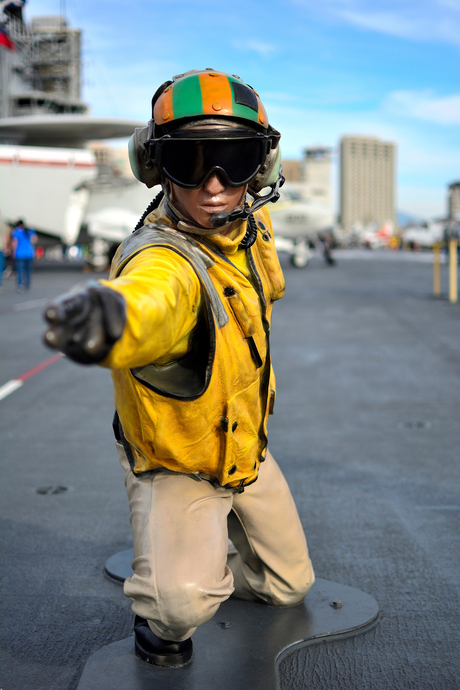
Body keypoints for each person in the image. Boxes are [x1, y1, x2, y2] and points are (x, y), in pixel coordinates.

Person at [43, 69, 314, 668]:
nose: (215, 185)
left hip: (245, 445)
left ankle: (207, 546)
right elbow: (152, 300)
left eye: (236, 160)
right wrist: (109, 315)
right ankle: (161, 607)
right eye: (190, 163)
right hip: (177, 458)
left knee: (287, 587)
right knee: (181, 605)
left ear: (262, 169)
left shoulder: (247, 226)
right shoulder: (164, 259)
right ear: (157, 168)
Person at [11, 219, 36, 291]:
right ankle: (27, 284)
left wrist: (13, 252)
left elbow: (14, 243)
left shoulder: (16, 231)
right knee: (28, 270)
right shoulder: (29, 230)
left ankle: (20, 284)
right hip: (29, 253)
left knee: (20, 270)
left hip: (20, 254)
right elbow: (34, 239)